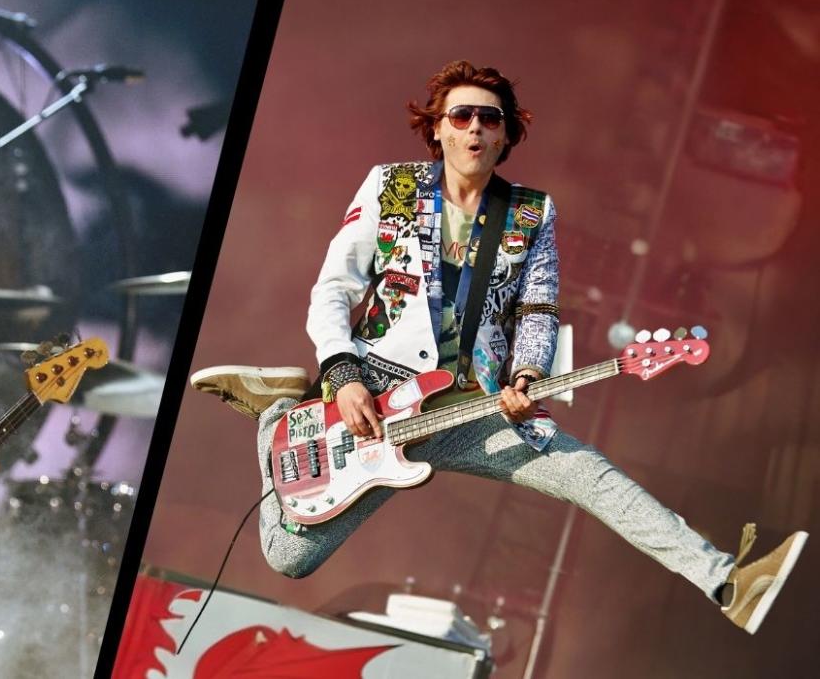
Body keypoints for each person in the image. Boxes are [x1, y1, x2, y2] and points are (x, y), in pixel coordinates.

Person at [191, 60, 807, 636]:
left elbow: (537, 311)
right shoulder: (393, 186)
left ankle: (726, 580)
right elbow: (333, 288)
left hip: (474, 403)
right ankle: (278, 409)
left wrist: (528, 374)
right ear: (438, 128)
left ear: (507, 135)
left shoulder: (531, 213)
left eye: (491, 118)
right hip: (375, 387)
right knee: (289, 556)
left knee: (585, 472)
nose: (477, 128)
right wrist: (343, 371)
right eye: (462, 116)